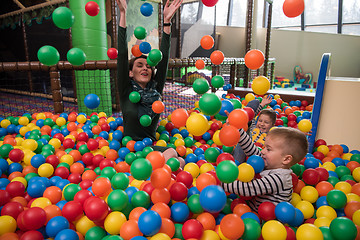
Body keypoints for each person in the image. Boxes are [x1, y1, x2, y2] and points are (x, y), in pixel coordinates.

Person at [116, 0, 184, 164]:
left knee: (179, 160)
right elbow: (122, 55)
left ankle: (153, 181)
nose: (145, 68)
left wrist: (167, 22)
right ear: (131, 73)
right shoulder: (126, 90)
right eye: (139, 65)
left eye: (148, 66)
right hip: (129, 149)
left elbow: (165, 58)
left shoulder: (156, 90)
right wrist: (123, 14)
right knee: (173, 156)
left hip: (148, 148)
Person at [222, 127, 308, 212]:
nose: (263, 151)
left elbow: (249, 188)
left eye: (268, 149)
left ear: (286, 159)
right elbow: (252, 150)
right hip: (251, 209)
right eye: (264, 147)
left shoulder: (279, 178)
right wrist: (237, 130)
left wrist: (220, 183)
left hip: (265, 221)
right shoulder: (270, 163)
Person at [233, 95, 275, 163]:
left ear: (272, 125)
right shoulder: (254, 127)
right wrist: (262, 105)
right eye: (260, 121)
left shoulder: (270, 135)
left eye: (266, 122)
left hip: (256, 158)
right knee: (247, 127)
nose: (262, 124)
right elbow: (252, 116)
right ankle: (245, 115)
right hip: (242, 152)